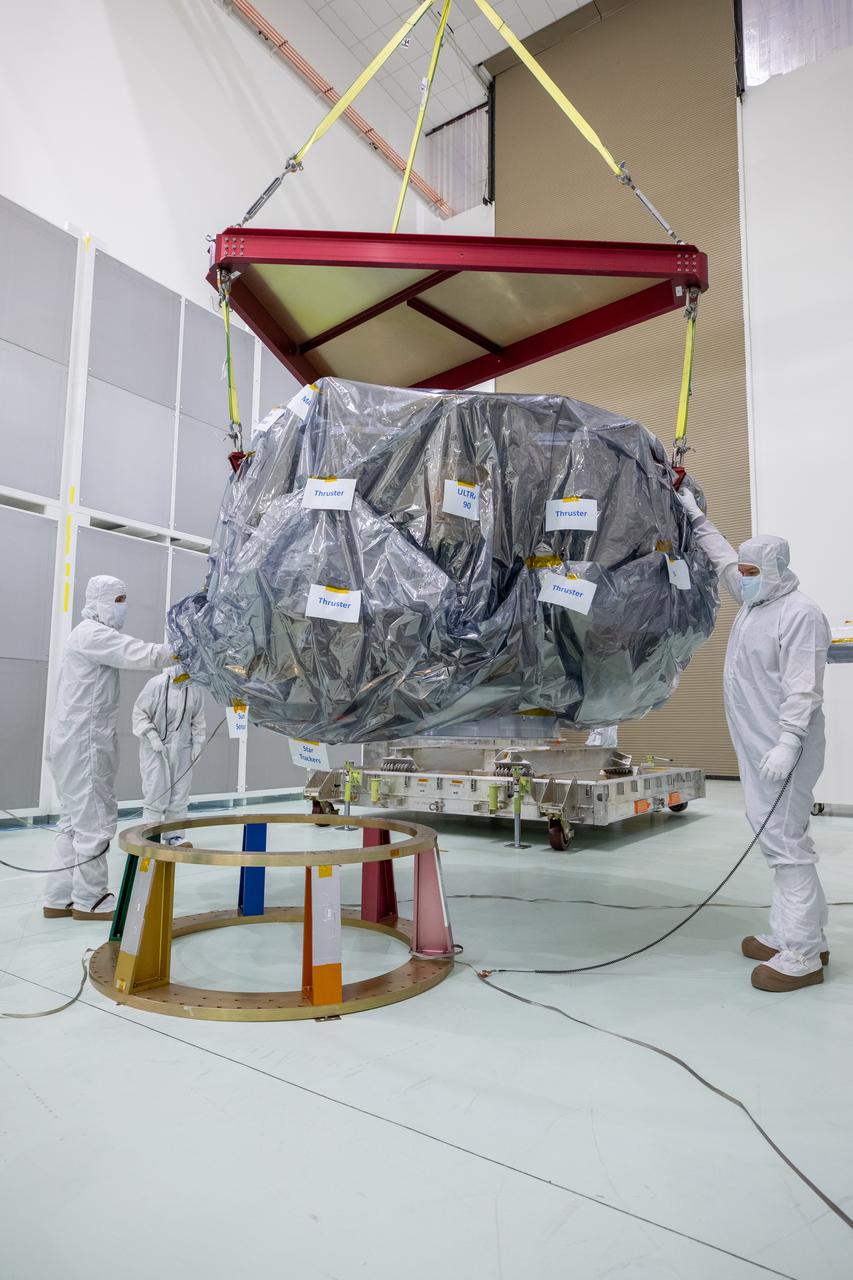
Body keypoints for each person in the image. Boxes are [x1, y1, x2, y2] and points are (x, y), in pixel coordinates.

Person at [679, 489, 832, 991]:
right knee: (778, 841)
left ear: (776, 569)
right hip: (757, 743)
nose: (739, 579)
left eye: (750, 572)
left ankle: (803, 955)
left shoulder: (799, 614)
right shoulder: (754, 596)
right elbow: (723, 553)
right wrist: (694, 512)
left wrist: (788, 742)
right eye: (741, 573)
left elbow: (803, 689)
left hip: (783, 748)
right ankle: (795, 932)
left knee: (787, 845)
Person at [44, 576, 174, 921]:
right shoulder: (93, 634)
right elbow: (141, 653)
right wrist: (183, 650)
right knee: (95, 822)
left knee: (72, 822)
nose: (123, 606)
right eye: (118, 599)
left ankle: (58, 898)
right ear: (100, 600)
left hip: (71, 740)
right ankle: (91, 899)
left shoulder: (84, 634)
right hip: (83, 743)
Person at [132, 668, 205, 849]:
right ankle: (149, 836)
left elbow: (198, 718)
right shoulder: (156, 684)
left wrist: (197, 743)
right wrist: (152, 736)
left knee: (180, 793)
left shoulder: (194, 687)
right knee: (156, 792)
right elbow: (140, 712)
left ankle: (175, 836)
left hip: (183, 748)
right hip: (155, 748)